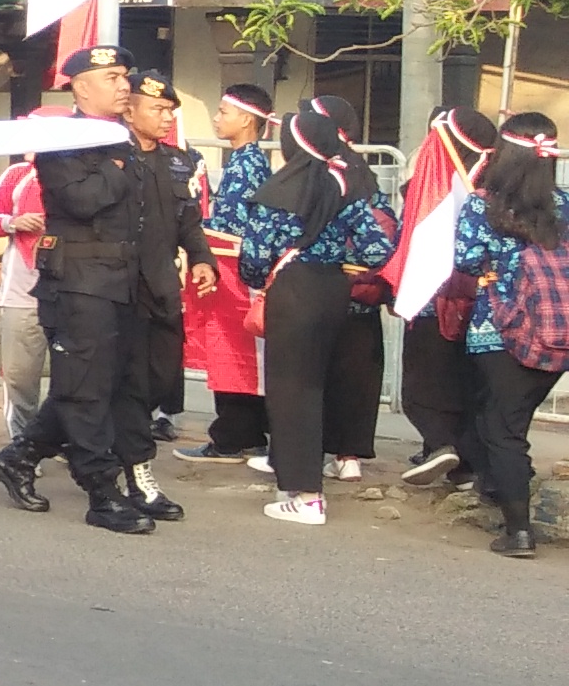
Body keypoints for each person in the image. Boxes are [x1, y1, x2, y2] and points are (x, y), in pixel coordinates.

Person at [0, 45, 161, 534]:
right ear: (81, 87)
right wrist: (119, 163)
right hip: (80, 281)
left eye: (125, 75)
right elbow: (83, 199)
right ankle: (100, 492)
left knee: (97, 384)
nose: (123, 85)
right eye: (111, 77)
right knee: (84, 392)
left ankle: (19, 458)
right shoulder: (65, 139)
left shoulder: (123, 138)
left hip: (122, 281)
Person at [236, 96, 403, 526]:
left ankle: (305, 494)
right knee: (313, 387)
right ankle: (307, 482)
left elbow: (253, 263)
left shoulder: (275, 194)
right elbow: (377, 248)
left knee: (291, 392)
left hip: (293, 292)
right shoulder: (343, 190)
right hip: (334, 289)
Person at [453, 113, 567, 555]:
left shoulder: (484, 204)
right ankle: (507, 490)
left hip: (497, 331)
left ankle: (518, 529)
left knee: (502, 427)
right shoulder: (565, 205)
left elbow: (465, 260)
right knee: (508, 419)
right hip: (557, 332)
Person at [117, 70, 217, 512]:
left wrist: (202, 257)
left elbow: (188, 219)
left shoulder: (178, 161)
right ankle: (137, 475)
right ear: (129, 109)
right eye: (156, 109)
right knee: (129, 385)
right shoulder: (109, 156)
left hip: (161, 286)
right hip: (117, 288)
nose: (165, 118)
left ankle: (25, 452)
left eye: (169, 111)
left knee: (160, 378)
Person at [394, 104, 502, 485]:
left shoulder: (443, 190)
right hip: (488, 304)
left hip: (441, 297)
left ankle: (440, 445)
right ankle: (465, 463)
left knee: (425, 380)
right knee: (467, 382)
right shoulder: (503, 186)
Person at [174, 84, 277, 466]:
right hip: (230, 268)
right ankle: (242, 432)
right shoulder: (245, 161)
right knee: (234, 352)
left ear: (247, 119)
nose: (216, 119)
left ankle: (233, 435)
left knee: (233, 351)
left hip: (233, 272)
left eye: (223, 112)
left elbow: (232, 227)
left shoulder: (246, 165)